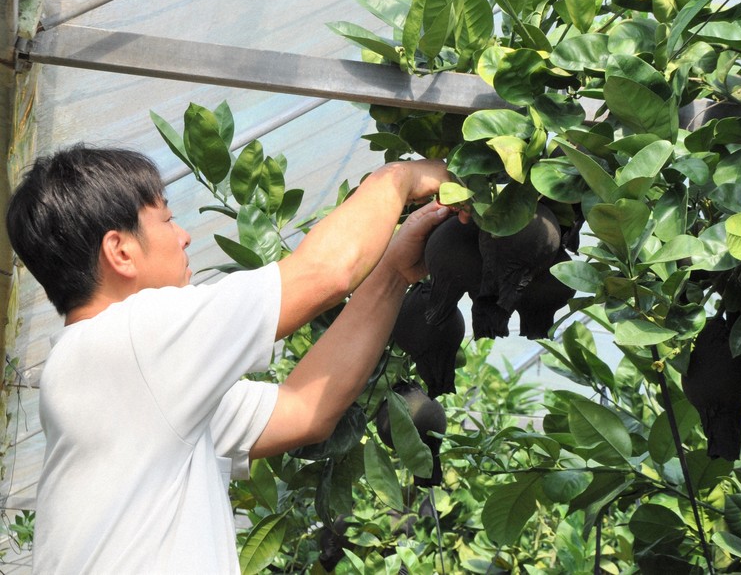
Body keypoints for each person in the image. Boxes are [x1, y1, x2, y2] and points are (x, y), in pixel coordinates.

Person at [5, 144, 454, 574]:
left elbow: (302, 409)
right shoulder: (130, 341)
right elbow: (326, 270)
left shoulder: (132, 380)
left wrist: (394, 271)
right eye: (168, 219)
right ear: (120, 251)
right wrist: (401, 177)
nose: (184, 237)